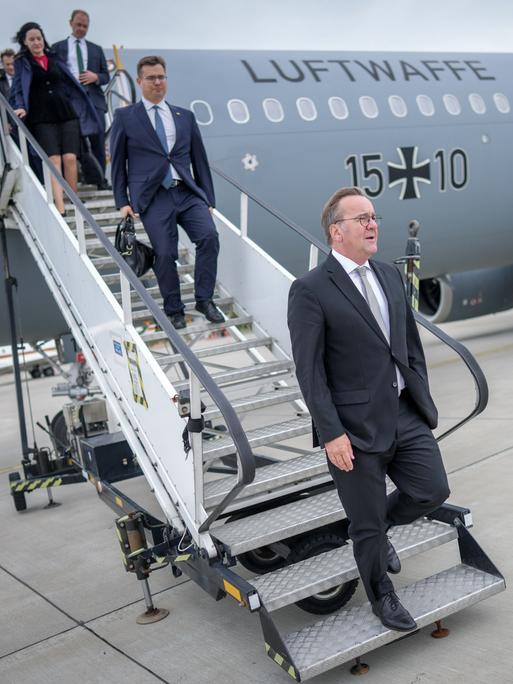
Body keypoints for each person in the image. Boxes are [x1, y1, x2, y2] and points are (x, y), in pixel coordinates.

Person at [287, 186, 450, 632]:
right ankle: (382, 596)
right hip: (353, 429)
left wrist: (419, 394)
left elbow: (408, 344)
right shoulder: (310, 290)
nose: (372, 224)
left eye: (373, 216)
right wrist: (331, 432)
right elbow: (310, 371)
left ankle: (377, 534)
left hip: (403, 413)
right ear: (336, 232)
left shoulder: (389, 275)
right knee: (366, 521)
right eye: (361, 218)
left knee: (431, 491)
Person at [110, 55, 223, 330]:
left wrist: (208, 197)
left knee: (209, 237)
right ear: (139, 82)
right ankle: (174, 310)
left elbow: (199, 159)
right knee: (164, 253)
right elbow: (118, 162)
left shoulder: (184, 116)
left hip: (186, 191)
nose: (157, 82)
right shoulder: (126, 117)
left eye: (161, 77)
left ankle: (204, 299)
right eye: (151, 78)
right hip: (153, 197)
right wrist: (122, 201)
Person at [10, 22, 100, 215]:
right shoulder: (22, 62)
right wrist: (20, 107)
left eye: (39, 38)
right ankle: (60, 206)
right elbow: (18, 89)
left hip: (66, 113)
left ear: (43, 39)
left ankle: (74, 202)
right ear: (25, 43)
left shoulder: (55, 57)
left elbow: (69, 82)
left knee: (69, 158)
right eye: (31, 39)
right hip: (41, 116)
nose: (36, 42)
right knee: (53, 160)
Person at [53, 9, 110, 187]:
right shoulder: (57, 48)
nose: (81, 29)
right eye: (78, 25)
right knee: (71, 141)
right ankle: (75, 179)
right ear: (70, 23)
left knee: (98, 141)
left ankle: (100, 180)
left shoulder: (96, 49)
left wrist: (96, 77)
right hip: (69, 101)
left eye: (85, 26)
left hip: (93, 100)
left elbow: (106, 76)